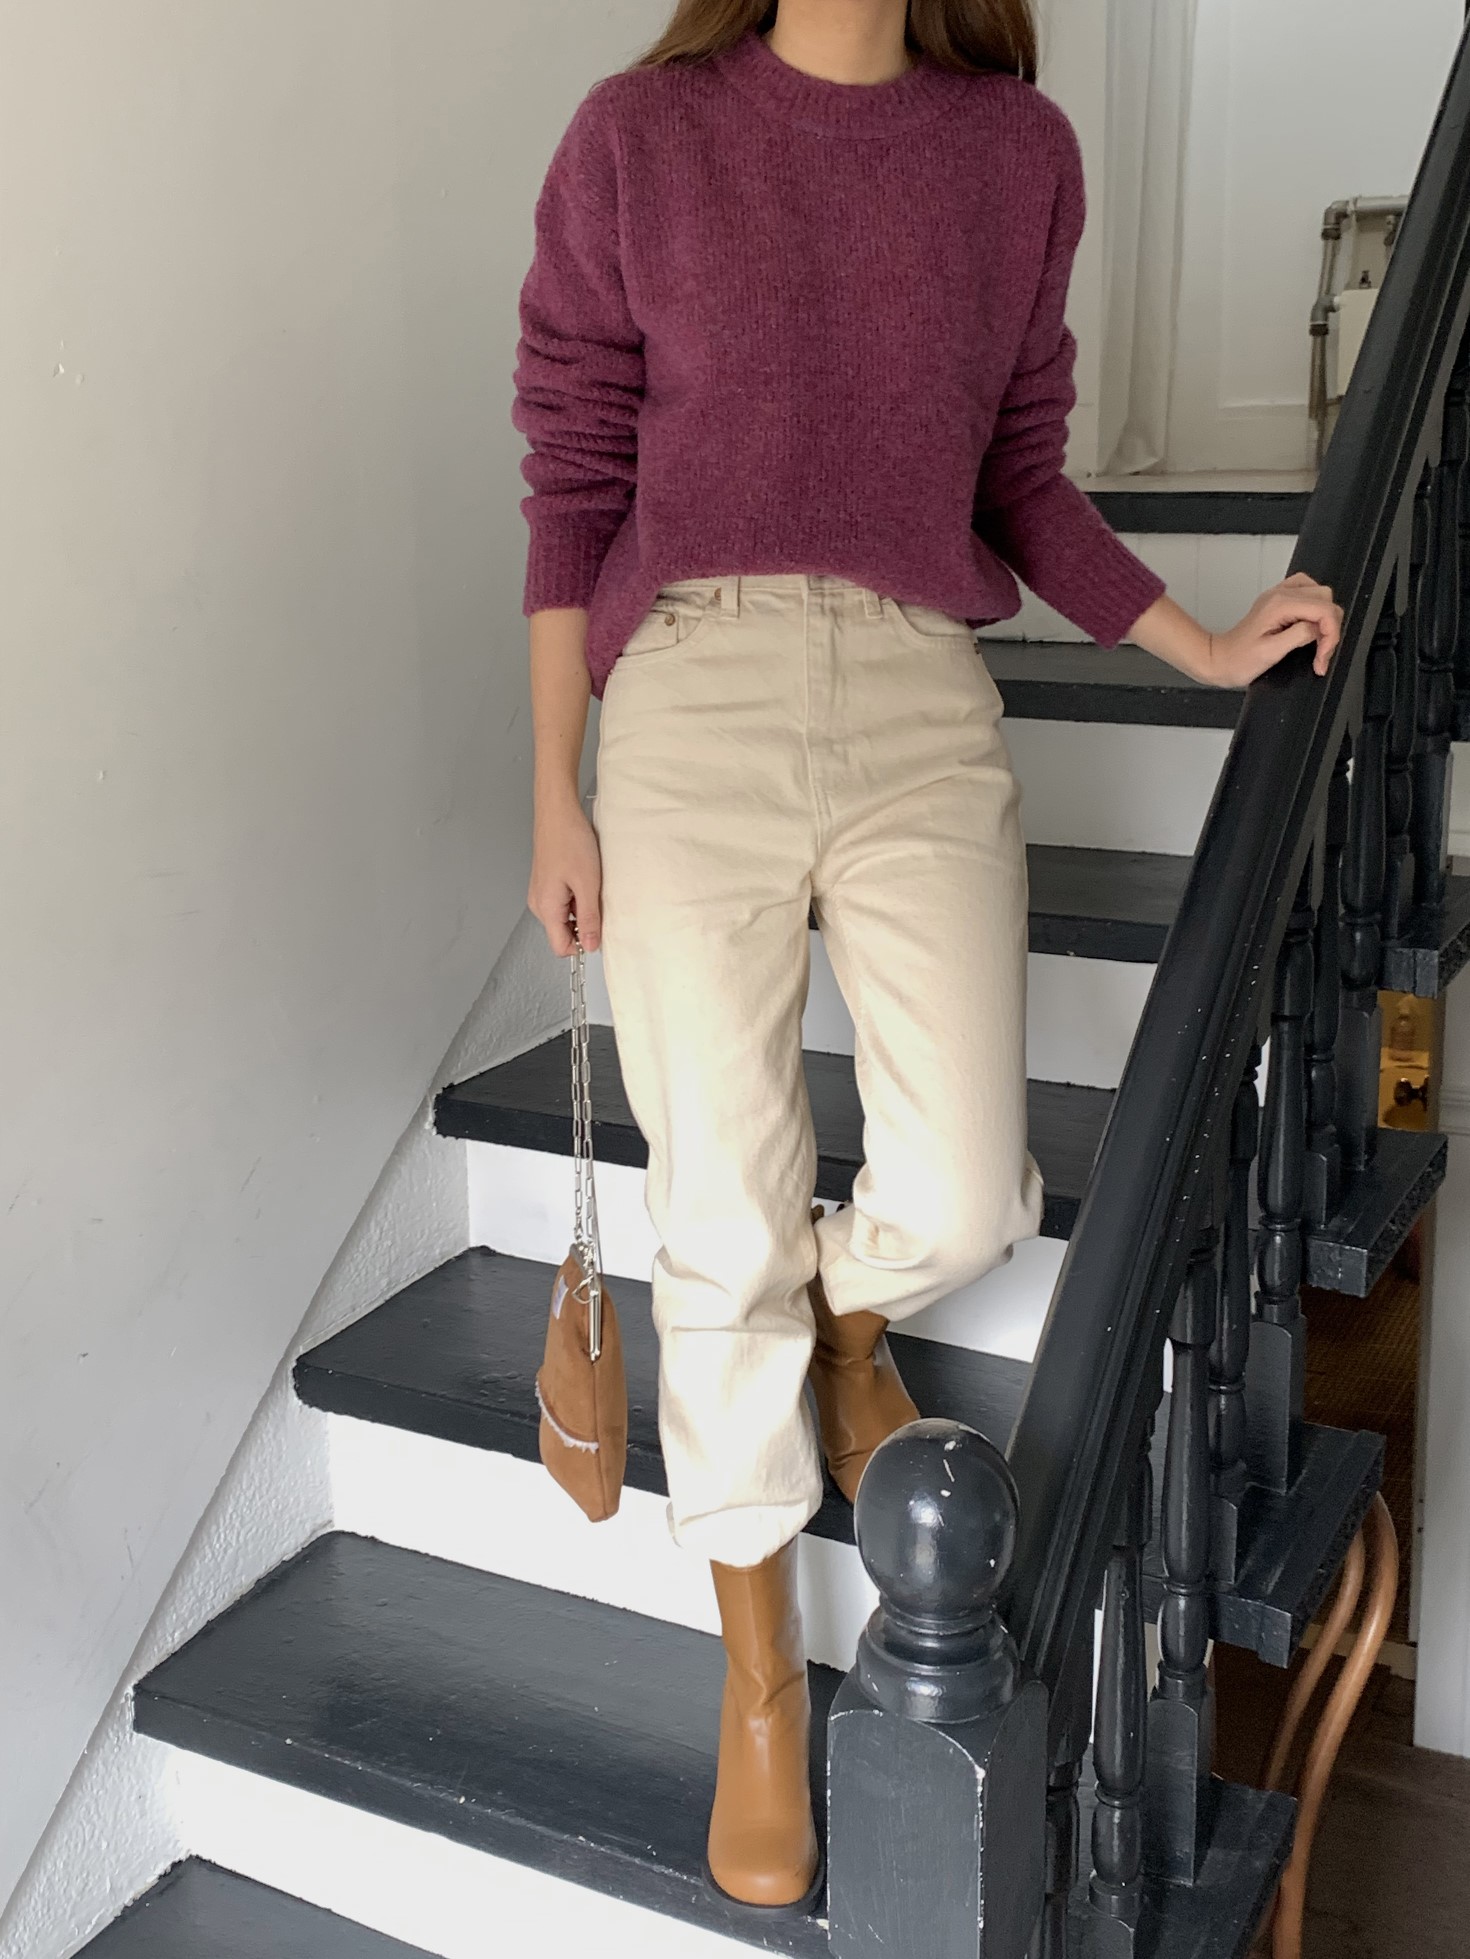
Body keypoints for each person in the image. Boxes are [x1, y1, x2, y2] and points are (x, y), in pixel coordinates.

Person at [511, 0, 1342, 1920]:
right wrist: (552, 788)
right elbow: (572, 478)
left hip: (914, 692)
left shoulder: (1010, 155)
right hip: (688, 687)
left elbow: (1023, 477)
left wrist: (1201, 643)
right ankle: (756, 1682)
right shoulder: (640, 136)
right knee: (717, 1210)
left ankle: (847, 1319)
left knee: (966, 1187)